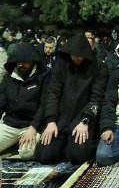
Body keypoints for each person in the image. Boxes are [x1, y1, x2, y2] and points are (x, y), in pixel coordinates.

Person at [36, 33, 108, 164]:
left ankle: (70, 145)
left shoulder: (98, 67)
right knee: (44, 155)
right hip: (60, 118)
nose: (76, 58)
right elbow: (53, 93)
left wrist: (85, 120)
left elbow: (96, 98)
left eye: (79, 56)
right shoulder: (61, 64)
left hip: (82, 118)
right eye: (73, 55)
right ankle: (62, 144)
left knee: (77, 156)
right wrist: (51, 120)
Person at [0, 44, 50, 161]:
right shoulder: (9, 77)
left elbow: (45, 105)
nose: (21, 65)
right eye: (18, 62)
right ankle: (13, 143)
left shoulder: (44, 76)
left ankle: (20, 144)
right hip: (11, 125)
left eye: (25, 62)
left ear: (33, 61)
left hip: (33, 126)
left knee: (26, 154)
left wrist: (33, 128)